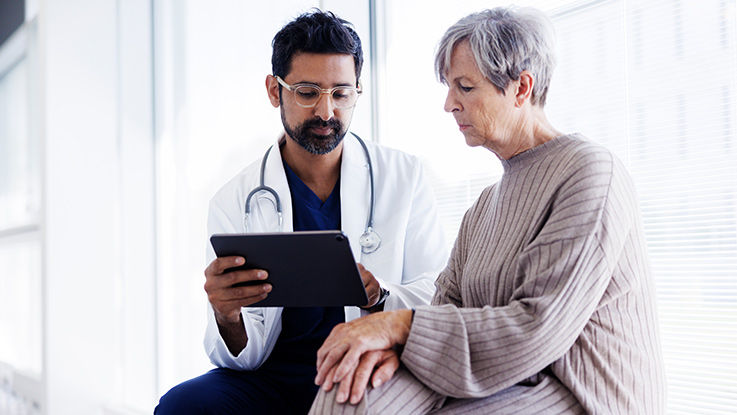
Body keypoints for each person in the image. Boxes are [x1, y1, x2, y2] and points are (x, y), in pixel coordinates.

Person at [309, 7, 666, 414]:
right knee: (349, 394)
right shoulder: (482, 209)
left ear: (521, 88)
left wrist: (397, 327)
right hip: (502, 376)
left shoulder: (589, 173)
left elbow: (536, 327)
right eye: (449, 86)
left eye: (464, 86)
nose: (449, 104)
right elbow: (445, 309)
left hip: (578, 389)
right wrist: (396, 347)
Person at [155, 9, 447, 414]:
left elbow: (438, 296)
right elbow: (244, 354)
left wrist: (380, 297)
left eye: (341, 93)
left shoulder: (405, 178)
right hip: (271, 377)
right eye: (308, 92)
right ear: (275, 91)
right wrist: (227, 315)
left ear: (357, 92)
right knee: (182, 406)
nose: (326, 112)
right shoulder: (233, 199)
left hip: (365, 364)